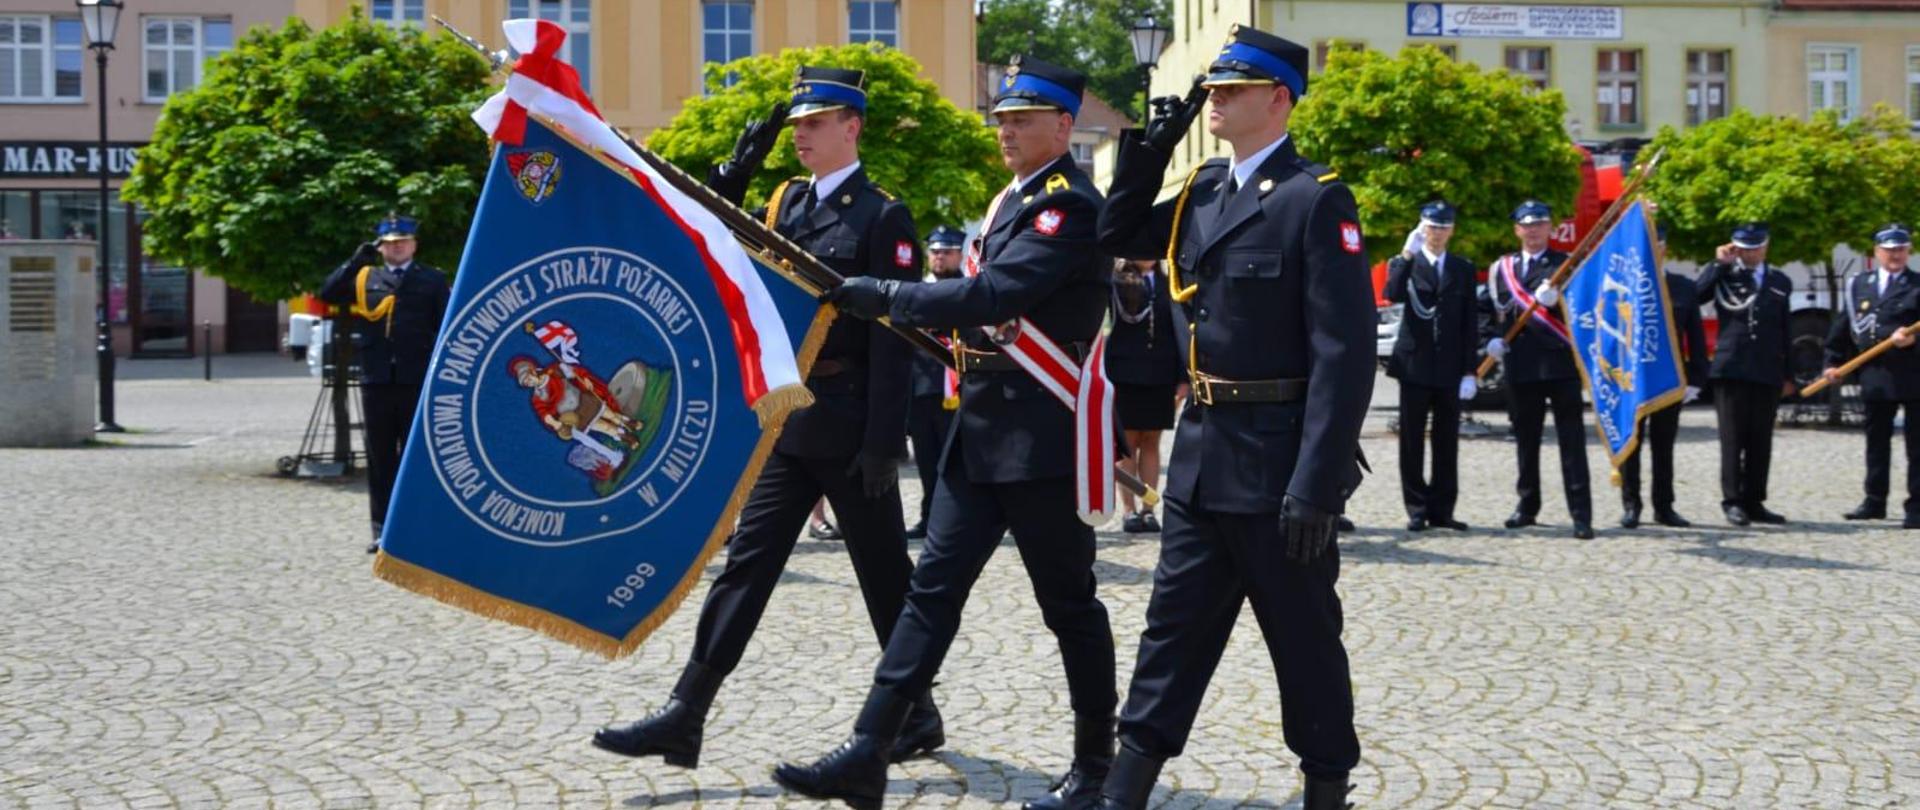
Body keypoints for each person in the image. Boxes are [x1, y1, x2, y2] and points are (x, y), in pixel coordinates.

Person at [778, 54, 1118, 810]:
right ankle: (871, 747)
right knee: (930, 592)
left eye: (1021, 118)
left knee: (1068, 604)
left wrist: (890, 295)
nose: (1005, 129)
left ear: (1063, 126)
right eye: (1000, 117)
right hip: (983, 431)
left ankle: (1096, 761)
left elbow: (999, 291)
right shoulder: (1013, 199)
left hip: (1042, 440)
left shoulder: (1069, 206)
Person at [591, 65, 945, 769]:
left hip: (850, 423)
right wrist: (732, 176)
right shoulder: (789, 204)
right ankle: (686, 713)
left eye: (814, 123)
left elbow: (893, 339)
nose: (800, 136)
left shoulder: (883, 216)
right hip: (792, 417)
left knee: (884, 576)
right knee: (746, 568)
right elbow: (721, 252)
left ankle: (916, 713)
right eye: (795, 127)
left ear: (853, 126)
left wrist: (885, 442)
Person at [1094, 25, 1375, 810]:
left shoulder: (1316, 199)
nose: (1214, 98)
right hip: (1202, 454)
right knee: (1170, 631)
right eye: (1211, 88)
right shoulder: (1201, 192)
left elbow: (1345, 355)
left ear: (1278, 99)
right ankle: (1126, 789)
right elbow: (1115, 232)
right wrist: (1153, 144)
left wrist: (1319, 483)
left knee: (1304, 640)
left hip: (1280, 461)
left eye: (1231, 89)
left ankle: (1326, 788)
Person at [316, 213, 450, 554]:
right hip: (376, 380)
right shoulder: (365, 278)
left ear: (414, 244)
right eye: (390, 244)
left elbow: (445, 330)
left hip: (415, 379)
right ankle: (383, 532)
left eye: (403, 242)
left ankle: (419, 529)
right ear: (381, 247)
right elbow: (328, 293)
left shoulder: (433, 280)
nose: (397, 248)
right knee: (380, 459)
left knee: (416, 458)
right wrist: (354, 261)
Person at [1482, 200, 1594, 539]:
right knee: (1526, 442)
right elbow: (1488, 311)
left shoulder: (1567, 265)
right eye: (1527, 225)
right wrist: (1490, 340)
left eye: (1540, 224)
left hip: (1560, 365)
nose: (1533, 231)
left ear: (1550, 228)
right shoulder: (1502, 269)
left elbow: (1586, 310)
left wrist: (1558, 301)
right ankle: (1527, 506)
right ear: (1517, 229)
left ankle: (1581, 514)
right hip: (1522, 365)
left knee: (1571, 442)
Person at [1383, 201, 1476, 532]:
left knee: (1446, 439)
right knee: (1412, 439)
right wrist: (1406, 256)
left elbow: (1469, 324)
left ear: (1451, 230)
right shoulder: (1408, 263)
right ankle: (1417, 508)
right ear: (1421, 229)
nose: (1436, 233)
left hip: (1449, 366)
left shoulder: (1462, 269)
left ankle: (1443, 509)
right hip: (1414, 365)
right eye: (1431, 227)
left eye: (1442, 227)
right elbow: (1392, 293)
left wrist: (1470, 371)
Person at [1694, 222, 1795, 526]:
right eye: (1745, 248)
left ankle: (1755, 500)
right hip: (1732, 366)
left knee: (1760, 439)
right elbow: (1695, 297)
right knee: (1732, 437)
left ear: (1766, 246)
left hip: (1767, 367)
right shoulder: (1725, 275)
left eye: (1756, 247)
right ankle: (1733, 500)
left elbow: (1784, 329)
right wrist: (1718, 264)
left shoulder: (1780, 280)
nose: (1751, 253)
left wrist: (1788, 373)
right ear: (1735, 247)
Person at [1823, 223, 1920, 527]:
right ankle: (1874, 500)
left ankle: (1916, 506)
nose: (1896, 255)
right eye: (1889, 250)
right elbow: (1843, 327)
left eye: (1901, 249)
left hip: (1913, 375)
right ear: (1876, 252)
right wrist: (1831, 361)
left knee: (1917, 446)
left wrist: (1914, 340)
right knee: (1876, 441)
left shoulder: (1918, 284)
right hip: (1875, 374)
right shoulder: (1859, 285)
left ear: (1909, 251)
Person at [1618, 222, 1707, 529]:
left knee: (1663, 445)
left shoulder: (1682, 286)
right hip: (1630, 378)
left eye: (1656, 245)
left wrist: (1696, 379)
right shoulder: (1622, 283)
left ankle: (1664, 505)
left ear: (1664, 248)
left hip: (1670, 377)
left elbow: (1695, 336)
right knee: (1631, 444)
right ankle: (1631, 505)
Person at [1106, 257, 1183, 533]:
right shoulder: (1115, 281)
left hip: (1160, 374)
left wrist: (1182, 378)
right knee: (1127, 444)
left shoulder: (1167, 281)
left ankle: (1149, 508)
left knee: (1151, 441)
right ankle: (1129, 511)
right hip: (1124, 375)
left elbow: (1179, 330)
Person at [903, 225, 967, 539]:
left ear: (960, 254)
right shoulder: (917, 289)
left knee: (954, 461)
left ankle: (957, 520)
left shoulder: (971, 291)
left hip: (958, 391)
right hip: (922, 389)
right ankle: (930, 518)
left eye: (947, 251)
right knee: (927, 461)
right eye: (936, 251)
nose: (940, 257)